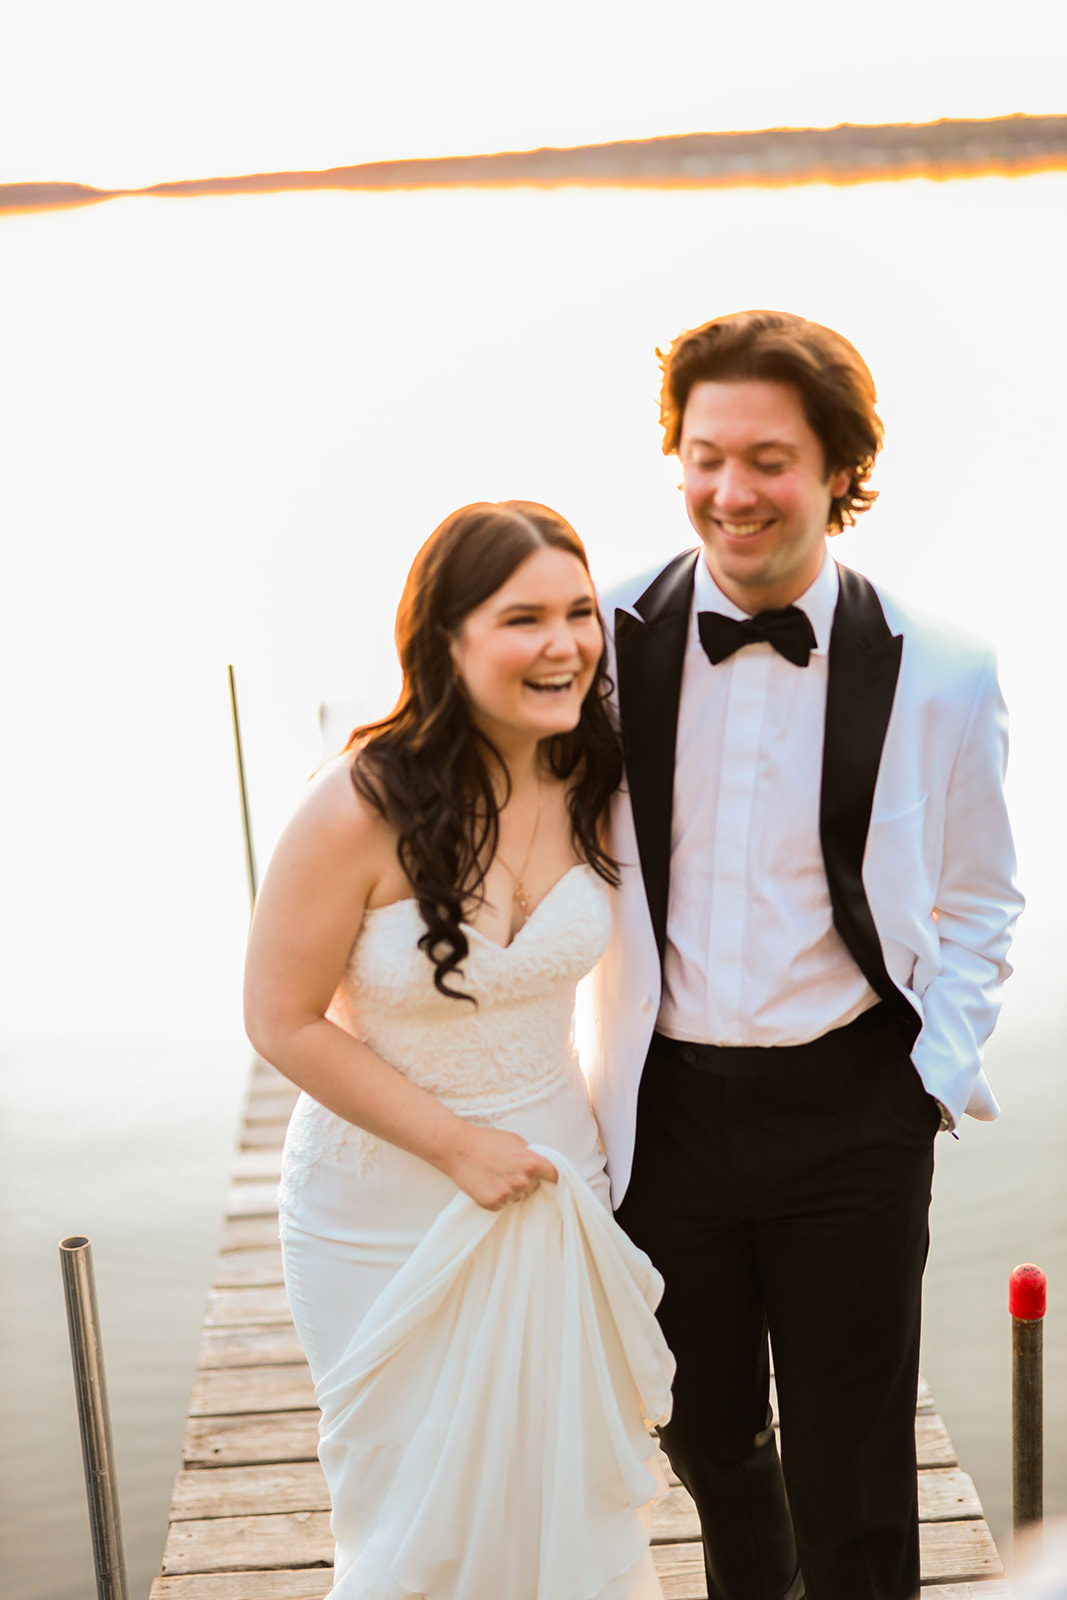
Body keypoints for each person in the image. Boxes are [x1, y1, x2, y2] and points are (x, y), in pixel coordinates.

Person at [581, 310, 1023, 1600]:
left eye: (767, 457)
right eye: (702, 454)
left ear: (839, 469)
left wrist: (932, 1071)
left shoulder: (941, 667)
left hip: (851, 1108)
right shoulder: (596, 634)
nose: (729, 492)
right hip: (659, 1113)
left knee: (858, 1470)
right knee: (711, 1443)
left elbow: (981, 899)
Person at [243, 500, 674, 1600]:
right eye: (522, 617)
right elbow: (278, 1019)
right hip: (377, 1204)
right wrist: (453, 1144)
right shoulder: (352, 805)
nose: (564, 644)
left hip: (553, 1180)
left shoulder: (602, 776)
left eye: (580, 613)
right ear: (444, 639)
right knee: (413, 1521)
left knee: (560, 1495)